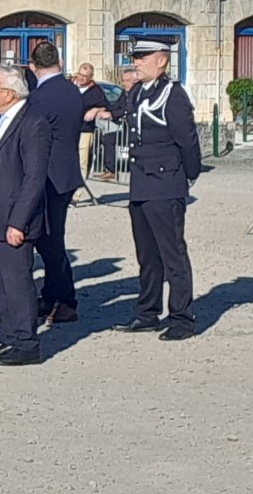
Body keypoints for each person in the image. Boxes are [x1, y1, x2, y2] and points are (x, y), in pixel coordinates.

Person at [114, 37, 201, 341]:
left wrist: (189, 175)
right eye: (135, 57)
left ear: (161, 60)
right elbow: (118, 113)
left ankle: (181, 317)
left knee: (172, 254)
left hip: (165, 183)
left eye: (142, 57)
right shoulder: (137, 92)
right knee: (147, 255)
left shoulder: (172, 94)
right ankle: (148, 312)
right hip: (141, 182)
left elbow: (187, 140)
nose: (136, 62)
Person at [0, 65, 52, 366]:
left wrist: (19, 221)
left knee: (16, 282)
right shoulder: (1, 120)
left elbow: (33, 178)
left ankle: (27, 342)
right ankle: (10, 336)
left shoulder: (32, 123)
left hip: (13, 216)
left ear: (8, 94)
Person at [27, 42, 84, 324]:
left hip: (48, 176)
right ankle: (51, 295)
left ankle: (66, 300)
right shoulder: (72, 90)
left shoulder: (39, 98)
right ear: (58, 62)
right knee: (51, 239)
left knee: (49, 242)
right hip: (67, 172)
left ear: (32, 66)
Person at [90, 68, 139, 181]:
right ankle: (110, 170)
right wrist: (101, 109)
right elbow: (117, 105)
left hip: (137, 129)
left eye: (127, 81)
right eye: (123, 81)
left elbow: (128, 109)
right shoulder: (124, 92)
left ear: (134, 81)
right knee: (108, 138)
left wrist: (111, 114)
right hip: (126, 129)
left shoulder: (137, 93)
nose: (124, 84)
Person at [73, 62, 110, 187]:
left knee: (82, 161)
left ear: (91, 77)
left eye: (85, 76)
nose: (81, 78)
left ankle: (76, 195)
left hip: (85, 129)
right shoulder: (69, 86)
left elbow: (106, 106)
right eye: (80, 74)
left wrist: (95, 110)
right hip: (68, 129)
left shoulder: (96, 91)